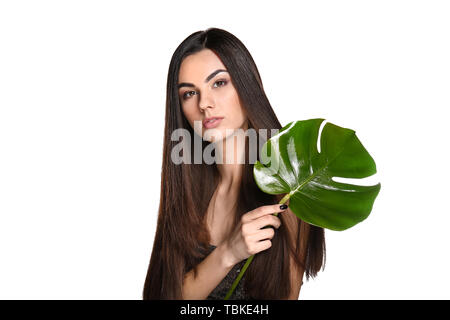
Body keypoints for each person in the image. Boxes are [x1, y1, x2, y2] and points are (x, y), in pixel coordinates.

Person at [142, 27, 325, 300]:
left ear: (246, 85)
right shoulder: (188, 192)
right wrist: (229, 252)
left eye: (218, 83)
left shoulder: (286, 194)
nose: (205, 104)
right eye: (189, 94)